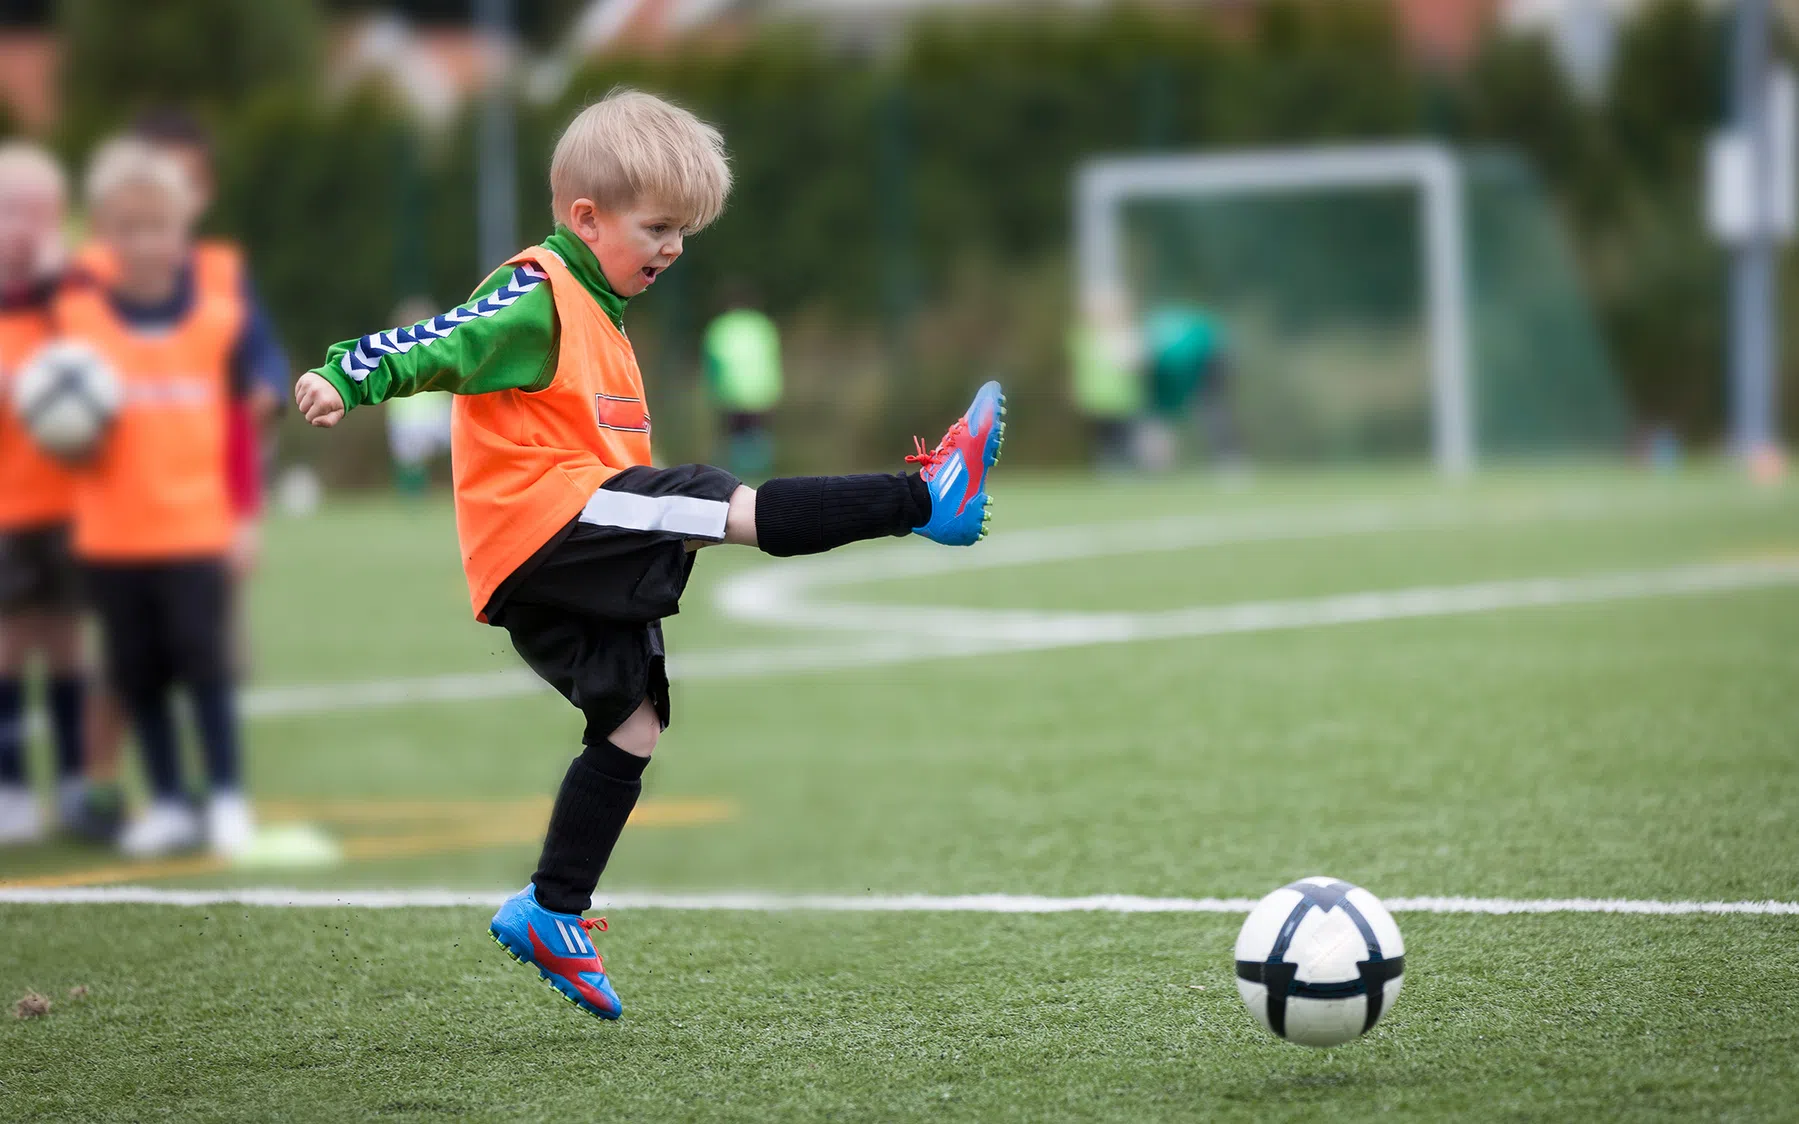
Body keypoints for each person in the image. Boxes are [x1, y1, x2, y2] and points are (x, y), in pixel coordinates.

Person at [292, 88, 1006, 1021]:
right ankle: (925, 498)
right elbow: (443, 341)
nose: (672, 249)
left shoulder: (602, 309)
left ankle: (551, 909)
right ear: (585, 218)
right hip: (545, 521)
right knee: (714, 501)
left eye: (685, 233)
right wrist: (348, 372)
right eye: (658, 226)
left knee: (633, 723)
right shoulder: (540, 288)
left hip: (559, 547)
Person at [71, 110, 291, 822]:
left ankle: (217, 791)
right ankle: (114, 788)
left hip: (197, 519)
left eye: (187, 182)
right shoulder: (81, 287)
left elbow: (257, 380)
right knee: (122, 664)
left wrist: (244, 506)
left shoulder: (221, 288)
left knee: (206, 659)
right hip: (106, 521)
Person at [0, 141, 89, 844]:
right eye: (10, 212)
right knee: (7, 644)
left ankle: (73, 781)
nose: (24, 228)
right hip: (6, 510)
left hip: (68, 507)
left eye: (40, 213)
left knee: (64, 643)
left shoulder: (75, 305)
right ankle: (10, 786)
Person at [701, 286, 783, 478]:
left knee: (731, 437)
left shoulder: (720, 326)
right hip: (762, 390)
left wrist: (712, 389)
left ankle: (731, 478)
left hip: (731, 390)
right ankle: (760, 476)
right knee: (758, 435)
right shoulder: (763, 325)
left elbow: (713, 362)